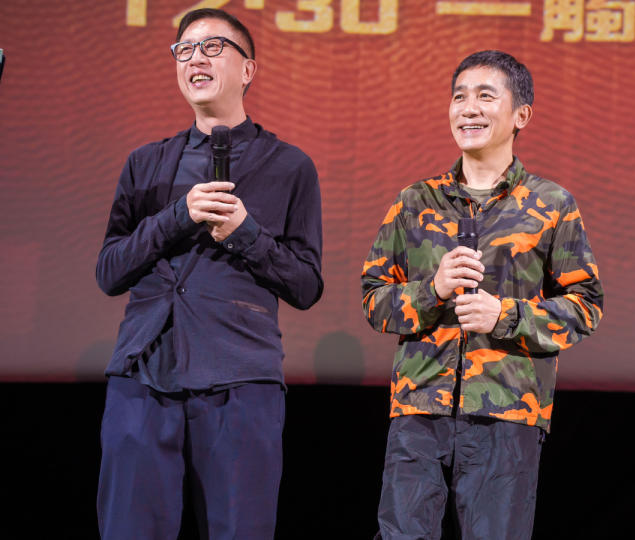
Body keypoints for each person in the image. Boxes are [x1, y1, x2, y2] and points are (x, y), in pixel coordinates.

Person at [95, 8, 323, 538]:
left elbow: (307, 285)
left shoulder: (290, 166)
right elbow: (109, 271)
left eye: (213, 47)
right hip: (142, 373)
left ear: (248, 70)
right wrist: (178, 216)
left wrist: (245, 232)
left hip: (240, 380)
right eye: (184, 49)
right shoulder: (144, 163)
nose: (195, 57)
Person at [361, 50, 603, 539]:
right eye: (459, 97)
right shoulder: (415, 201)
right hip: (418, 412)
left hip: (507, 413)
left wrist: (505, 316)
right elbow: (373, 299)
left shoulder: (551, 204)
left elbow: (585, 307)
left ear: (521, 116)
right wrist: (432, 291)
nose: (467, 108)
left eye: (485, 96)